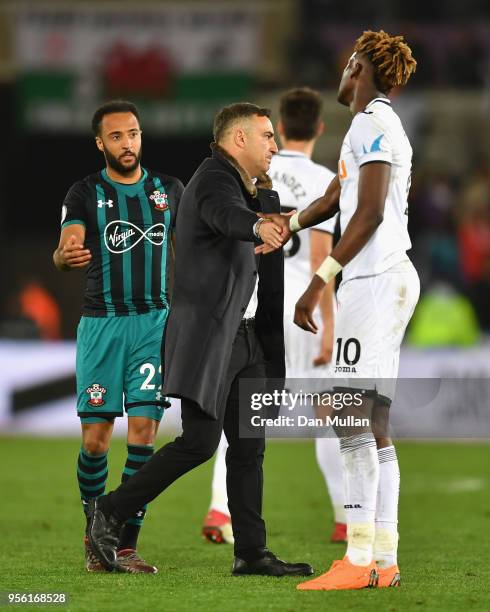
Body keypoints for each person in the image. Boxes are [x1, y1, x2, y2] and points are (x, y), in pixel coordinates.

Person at [86, 103, 313, 578]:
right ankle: (108, 511)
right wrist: (255, 225)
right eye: (267, 136)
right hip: (214, 339)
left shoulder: (260, 191)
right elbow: (225, 216)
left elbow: (263, 256)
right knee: (200, 443)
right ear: (239, 140)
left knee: (249, 447)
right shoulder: (212, 178)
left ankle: (251, 552)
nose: (275, 144)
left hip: (250, 339)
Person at [268, 30, 419, 590]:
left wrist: (318, 282)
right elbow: (341, 194)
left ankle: (358, 560)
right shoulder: (371, 126)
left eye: (347, 64)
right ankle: (383, 558)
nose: (341, 72)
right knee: (372, 421)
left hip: (374, 281)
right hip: (384, 280)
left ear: (358, 67)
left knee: (349, 415)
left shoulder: (371, 123)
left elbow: (371, 211)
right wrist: (294, 222)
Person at [202, 87, 347, 546]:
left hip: (254, 304)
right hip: (304, 305)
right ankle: (345, 516)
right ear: (319, 128)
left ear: (280, 128)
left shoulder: (254, 171)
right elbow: (322, 252)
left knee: (240, 412)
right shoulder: (325, 178)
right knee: (329, 414)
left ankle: (219, 512)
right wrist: (328, 324)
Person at [53, 100, 184, 574]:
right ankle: (94, 535)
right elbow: (66, 244)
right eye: (116, 137)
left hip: (154, 323)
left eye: (133, 133)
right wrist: (64, 256)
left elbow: (192, 248)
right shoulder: (85, 191)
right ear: (100, 144)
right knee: (96, 440)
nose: (127, 143)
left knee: (145, 434)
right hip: (103, 325)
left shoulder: (169, 190)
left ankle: (124, 544)